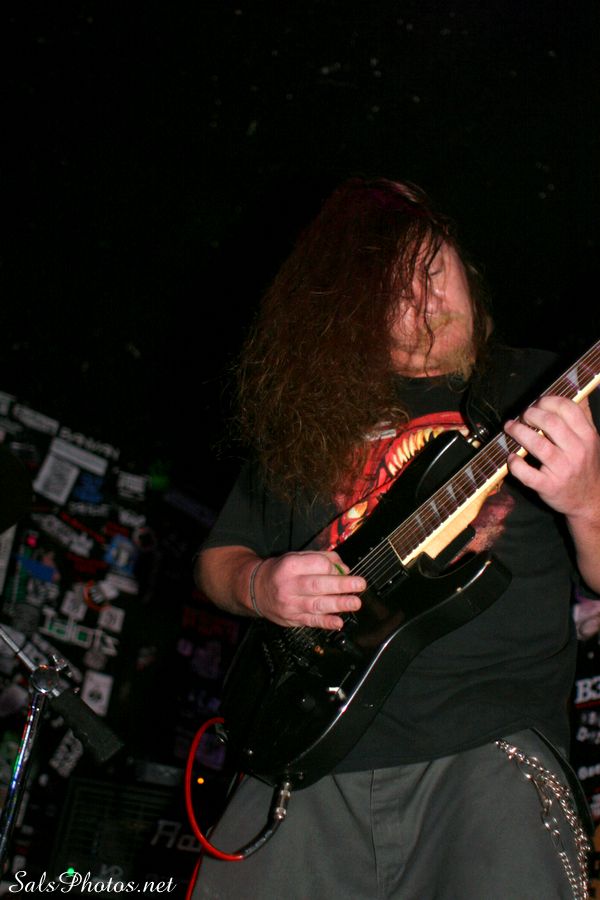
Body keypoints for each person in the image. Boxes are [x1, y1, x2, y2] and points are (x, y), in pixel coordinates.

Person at [192, 176, 600, 899]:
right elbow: (218, 560)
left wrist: (586, 499)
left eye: (434, 268)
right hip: (298, 757)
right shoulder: (309, 424)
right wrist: (260, 585)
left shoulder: (543, 384)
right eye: (394, 289)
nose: (428, 299)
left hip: (489, 753)